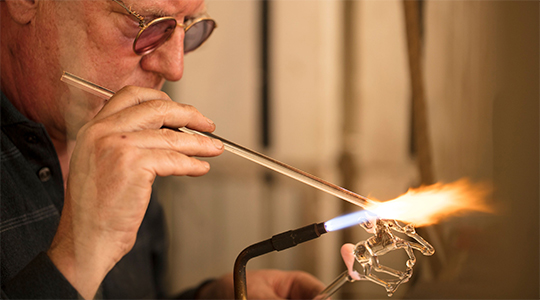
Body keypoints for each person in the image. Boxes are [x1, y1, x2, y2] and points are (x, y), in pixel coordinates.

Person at [0, 0, 325, 299]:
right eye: (148, 25)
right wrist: (78, 259)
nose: (174, 68)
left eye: (189, 26)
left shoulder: (125, 146)